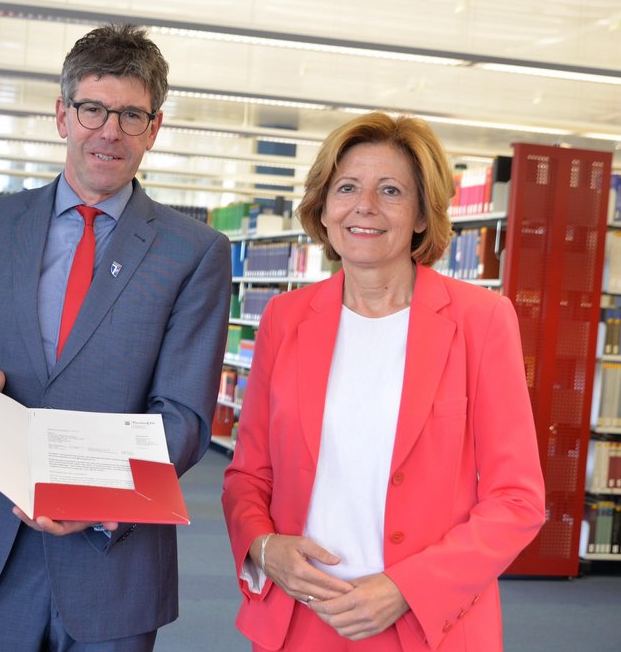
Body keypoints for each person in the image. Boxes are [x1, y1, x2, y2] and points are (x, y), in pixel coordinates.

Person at [0, 23, 231, 651]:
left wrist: (90, 496)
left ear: (155, 127)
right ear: (62, 115)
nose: (110, 131)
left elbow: (186, 419)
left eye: (131, 115)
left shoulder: (195, 252)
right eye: (92, 108)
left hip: (113, 558)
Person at [222, 111, 546, 651]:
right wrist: (263, 545)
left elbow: (517, 499)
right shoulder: (285, 318)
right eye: (346, 188)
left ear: (422, 215)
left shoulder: (481, 320)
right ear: (323, 210)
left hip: (426, 625)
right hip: (299, 618)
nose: (364, 206)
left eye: (390, 190)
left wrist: (407, 588)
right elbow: (248, 474)